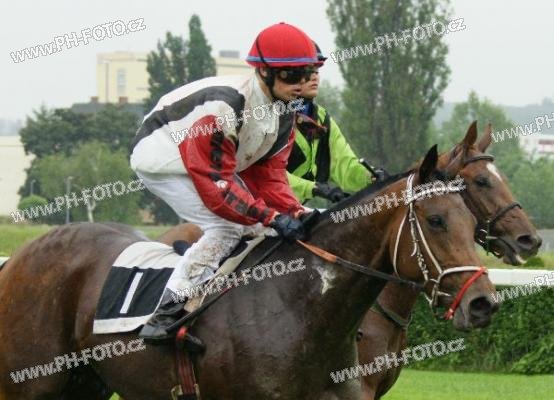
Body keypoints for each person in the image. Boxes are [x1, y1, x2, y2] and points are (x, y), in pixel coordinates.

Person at [130, 22, 317, 340]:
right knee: (227, 228)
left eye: (307, 73)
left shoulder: (285, 112)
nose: (301, 84)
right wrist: (271, 216)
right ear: (264, 72)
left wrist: (294, 210)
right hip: (164, 158)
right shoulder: (224, 106)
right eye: (291, 75)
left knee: (262, 228)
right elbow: (217, 187)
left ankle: (218, 296)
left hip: (212, 166)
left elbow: (267, 176)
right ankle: (166, 311)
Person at [286, 42, 386, 204]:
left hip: (291, 210)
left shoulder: (322, 117)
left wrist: (370, 176)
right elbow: (269, 176)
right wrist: (314, 188)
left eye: (316, 71)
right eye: (307, 71)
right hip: (255, 211)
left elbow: (344, 166)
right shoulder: (271, 118)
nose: (314, 77)